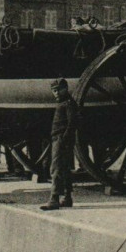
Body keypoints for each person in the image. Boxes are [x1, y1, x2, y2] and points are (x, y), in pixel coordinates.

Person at [41, 79, 78, 211]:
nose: (56, 93)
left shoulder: (67, 104)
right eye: (54, 90)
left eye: (58, 90)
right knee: (65, 168)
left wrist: (63, 139)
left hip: (61, 140)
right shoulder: (65, 103)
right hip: (60, 139)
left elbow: (72, 123)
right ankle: (67, 197)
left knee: (55, 168)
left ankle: (54, 198)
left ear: (66, 88)